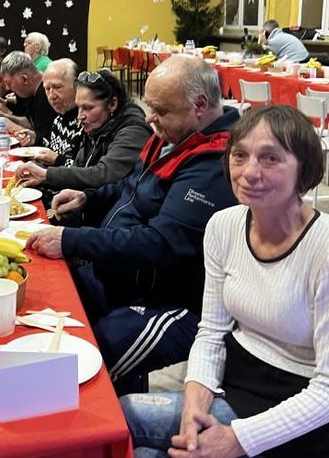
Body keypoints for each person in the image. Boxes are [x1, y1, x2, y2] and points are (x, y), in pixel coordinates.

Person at [122, 106, 329, 458]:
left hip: (303, 424)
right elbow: (212, 332)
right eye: (240, 155)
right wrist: (195, 405)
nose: (249, 172)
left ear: (305, 169)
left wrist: (233, 441)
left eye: (271, 159)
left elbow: (326, 393)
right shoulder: (224, 226)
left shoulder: (323, 248)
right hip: (235, 387)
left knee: (129, 414)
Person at [26, 56, 239, 393]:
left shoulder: (217, 160)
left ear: (200, 104)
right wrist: (89, 199)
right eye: (149, 106)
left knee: (89, 361)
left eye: (160, 109)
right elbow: (131, 189)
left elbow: (160, 244)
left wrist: (72, 240)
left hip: (174, 302)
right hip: (123, 275)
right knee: (47, 295)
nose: (149, 117)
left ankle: (109, 430)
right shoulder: (172, 133)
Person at [15, 66, 150, 192]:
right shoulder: (98, 124)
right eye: (79, 107)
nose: (80, 116)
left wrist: (47, 175)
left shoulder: (134, 130)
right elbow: (79, 168)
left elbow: (103, 174)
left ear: (112, 104)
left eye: (88, 108)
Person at [0, 51, 57, 145]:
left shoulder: (47, 95)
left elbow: (46, 141)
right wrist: (2, 116)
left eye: (9, 83)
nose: (8, 88)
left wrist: (12, 126)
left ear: (24, 79)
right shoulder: (32, 93)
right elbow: (29, 122)